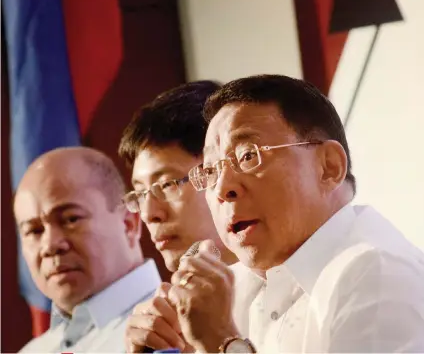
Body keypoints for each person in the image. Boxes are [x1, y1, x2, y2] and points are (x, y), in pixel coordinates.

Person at [166, 74, 424, 353]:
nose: (223, 188)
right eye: (210, 170)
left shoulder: (374, 274)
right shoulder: (236, 288)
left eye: (248, 155)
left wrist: (222, 342)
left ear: (329, 166)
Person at [118, 80, 237, 353]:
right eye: (139, 194)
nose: (149, 214)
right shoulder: (169, 321)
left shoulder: (305, 290)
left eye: (167, 185)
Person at [14, 147, 161, 353]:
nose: (50, 245)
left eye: (71, 219)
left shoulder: (182, 329)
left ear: (129, 223)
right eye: (34, 231)